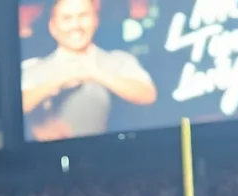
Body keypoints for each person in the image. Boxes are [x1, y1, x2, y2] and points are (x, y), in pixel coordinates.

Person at [20, 0, 157, 140]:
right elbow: (15, 107)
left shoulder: (119, 60)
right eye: (67, 18)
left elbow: (148, 95)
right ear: (53, 27)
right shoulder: (33, 67)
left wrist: (95, 73)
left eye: (83, 16)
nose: (76, 25)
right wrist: (61, 80)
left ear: (95, 20)